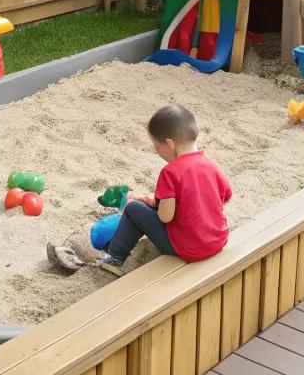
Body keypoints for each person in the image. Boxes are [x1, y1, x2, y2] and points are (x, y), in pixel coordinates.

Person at [95, 104, 232, 277]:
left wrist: (151, 208)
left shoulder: (170, 172)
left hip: (190, 248)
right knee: (145, 207)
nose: (156, 151)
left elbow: (166, 216)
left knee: (133, 209)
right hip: (217, 241)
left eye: (156, 146)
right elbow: (225, 196)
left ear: (169, 144)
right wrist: (153, 203)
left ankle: (114, 258)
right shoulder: (210, 165)